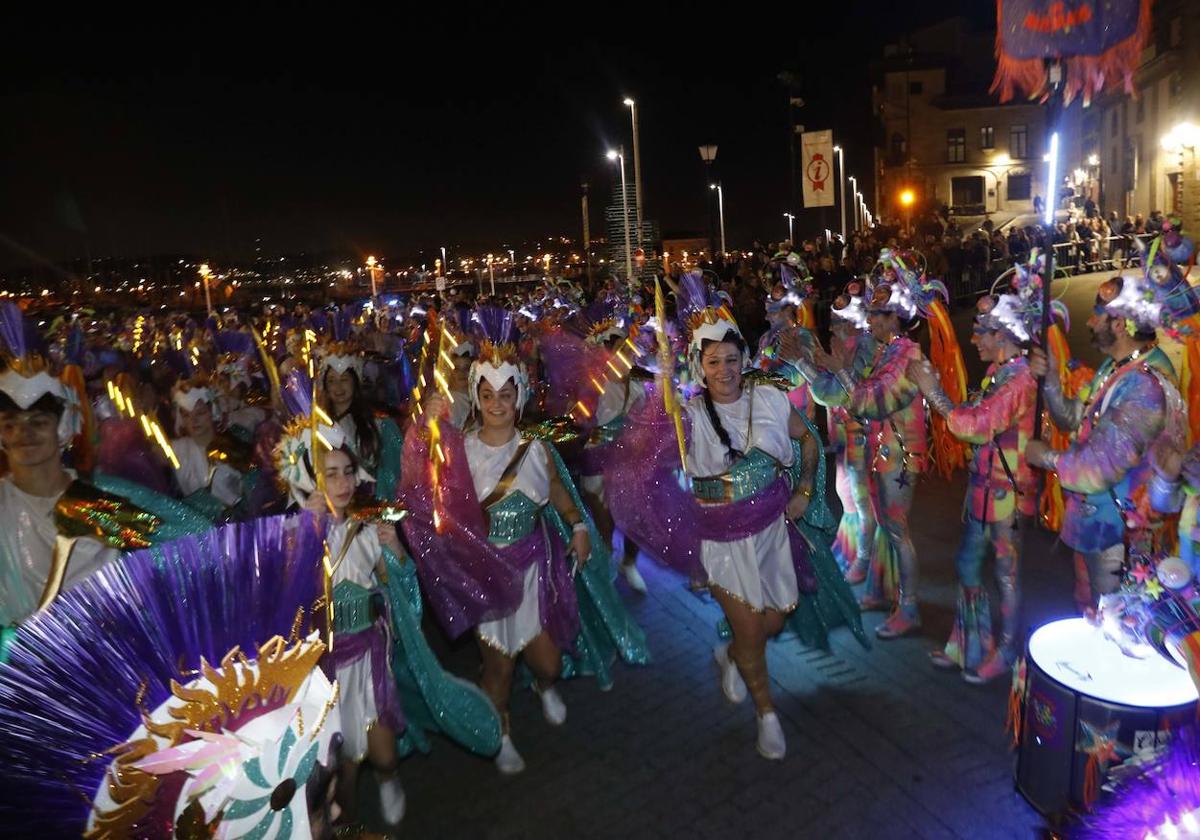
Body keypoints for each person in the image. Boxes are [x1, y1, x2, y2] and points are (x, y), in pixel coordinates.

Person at [607, 272, 866, 760]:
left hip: (772, 530)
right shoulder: (686, 416)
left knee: (773, 620)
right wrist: (655, 401)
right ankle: (766, 711)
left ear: (743, 360)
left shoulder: (768, 398)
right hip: (720, 541)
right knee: (751, 631)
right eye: (713, 361)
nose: (723, 370)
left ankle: (730, 654)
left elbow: (808, 438)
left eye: (731, 359)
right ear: (699, 367)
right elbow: (642, 457)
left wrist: (806, 487)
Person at [404, 306, 648, 775]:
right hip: (488, 576)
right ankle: (503, 734)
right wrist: (424, 431)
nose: (497, 402)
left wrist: (578, 526)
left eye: (506, 393)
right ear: (475, 398)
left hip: (536, 571)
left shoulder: (537, 445)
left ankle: (543, 686)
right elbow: (420, 488)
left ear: (519, 397)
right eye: (487, 393)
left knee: (548, 664)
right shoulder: (458, 449)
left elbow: (557, 490)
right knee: (497, 669)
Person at [790, 250, 965, 639]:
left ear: (894, 318)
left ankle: (910, 607)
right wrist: (824, 367)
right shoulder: (887, 352)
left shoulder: (907, 356)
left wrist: (838, 369)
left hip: (901, 456)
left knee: (898, 530)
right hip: (882, 452)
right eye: (867, 314)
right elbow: (852, 394)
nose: (867, 322)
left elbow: (872, 401)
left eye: (874, 315)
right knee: (887, 526)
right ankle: (886, 592)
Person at [1026, 228, 1193, 610]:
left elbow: (1101, 465)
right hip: (1095, 526)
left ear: (1119, 324)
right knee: (1090, 610)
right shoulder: (1114, 368)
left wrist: (1046, 458)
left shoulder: (1146, 386)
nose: (1088, 324)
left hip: (1123, 536)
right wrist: (1050, 377)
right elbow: (1073, 420)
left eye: (1097, 317)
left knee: (1116, 622)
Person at [909, 273, 1044, 683]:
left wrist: (934, 392)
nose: (974, 340)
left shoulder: (1018, 380)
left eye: (982, 332)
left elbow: (976, 425)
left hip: (1009, 497)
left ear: (1003, 334)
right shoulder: (997, 375)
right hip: (982, 491)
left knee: (1006, 576)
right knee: (967, 565)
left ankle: (1006, 651)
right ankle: (969, 642)